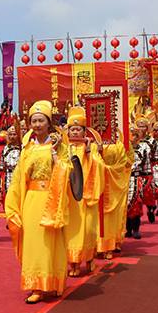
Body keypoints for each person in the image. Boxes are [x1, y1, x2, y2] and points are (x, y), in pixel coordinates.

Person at [4, 100, 70, 304]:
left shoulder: (59, 146)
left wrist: (54, 152)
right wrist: (13, 204)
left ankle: (56, 282)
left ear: (49, 123)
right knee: (34, 243)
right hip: (31, 200)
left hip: (53, 199)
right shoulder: (28, 149)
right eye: (34, 121)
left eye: (41, 120)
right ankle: (36, 287)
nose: (37, 124)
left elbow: (67, 171)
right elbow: (17, 178)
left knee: (52, 242)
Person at [62, 107, 104, 276]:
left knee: (87, 228)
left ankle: (89, 257)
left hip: (86, 194)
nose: (75, 131)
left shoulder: (90, 147)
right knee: (71, 229)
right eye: (72, 129)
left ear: (84, 131)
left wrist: (89, 152)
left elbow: (99, 167)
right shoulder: (65, 147)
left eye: (78, 129)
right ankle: (74, 263)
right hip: (70, 195)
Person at [98, 132, 134, 256]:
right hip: (96, 184)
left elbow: (127, 162)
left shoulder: (121, 143)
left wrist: (106, 169)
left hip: (115, 184)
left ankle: (112, 243)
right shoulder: (92, 142)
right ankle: (96, 244)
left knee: (114, 216)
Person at [125, 126, 153, 239]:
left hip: (136, 178)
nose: (132, 138)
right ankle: (128, 229)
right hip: (124, 179)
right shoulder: (122, 148)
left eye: (135, 135)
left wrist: (147, 180)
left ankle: (136, 229)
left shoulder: (143, 148)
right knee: (124, 206)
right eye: (130, 135)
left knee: (136, 204)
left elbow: (146, 165)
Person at [0, 125, 22, 200]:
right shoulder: (6, 148)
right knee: (8, 194)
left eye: (14, 134)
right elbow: (2, 161)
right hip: (8, 174)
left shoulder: (22, 148)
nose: (12, 137)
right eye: (11, 134)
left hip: (18, 174)